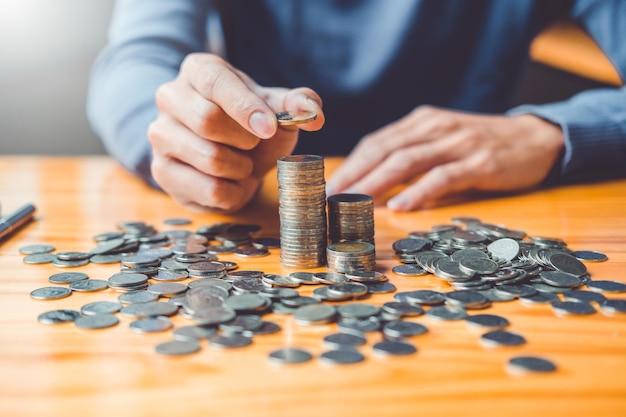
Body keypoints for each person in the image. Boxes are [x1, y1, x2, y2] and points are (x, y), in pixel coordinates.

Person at [87, 0, 626, 212]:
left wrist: (554, 132)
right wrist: (181, 135)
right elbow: (135, 60)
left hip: (465, 205)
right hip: (258, 206)